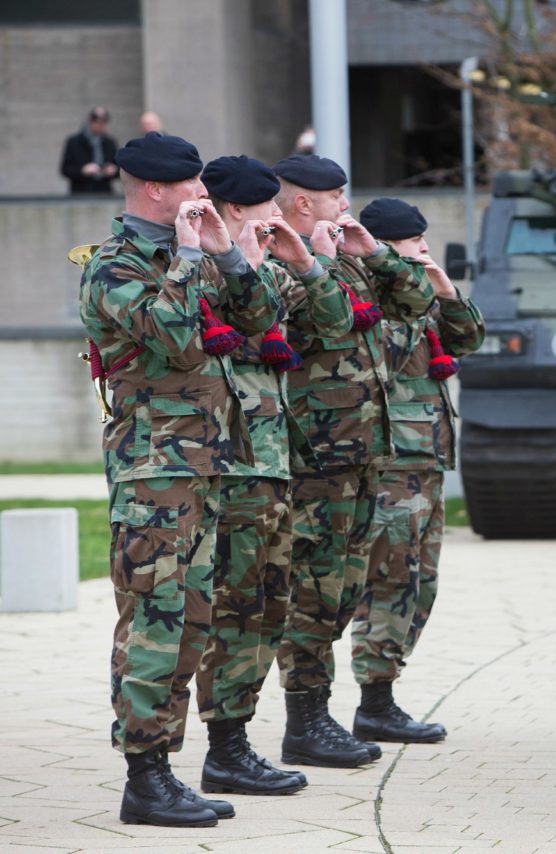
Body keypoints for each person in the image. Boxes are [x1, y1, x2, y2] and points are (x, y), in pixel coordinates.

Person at [79, 132, 280, 826]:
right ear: (155, 189)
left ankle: (166, 770)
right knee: (154, 620)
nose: (202, 194)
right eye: (191, 184)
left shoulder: (190, 254)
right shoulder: (115, 265)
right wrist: (194, 256)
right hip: (154, 469)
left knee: (193, 620)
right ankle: (144, 776)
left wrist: (227, 253)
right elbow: (172, 335)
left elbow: (260, 319)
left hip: (208, 464)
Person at [192, 155, 352, 797]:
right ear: (237, 209)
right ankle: (224, 747)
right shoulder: (201, 266)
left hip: (272, 461)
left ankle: (238, 742)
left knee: (267, 604)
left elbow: (334, 325)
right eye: (266, 209)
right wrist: (246, 262)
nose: (277, 217)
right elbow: (239, 324)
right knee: (233, 606)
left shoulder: (269, 263)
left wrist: (308, 263)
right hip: (226, 462)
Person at [272, 154, 434, 768]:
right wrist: (314, 262)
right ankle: (305, 721)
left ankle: (320, 715)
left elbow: (417, 300)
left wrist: (378, 254)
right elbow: (331, 323)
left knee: (342, 592)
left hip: (363, 453)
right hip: (315, 456)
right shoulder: (279, 263)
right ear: (303, 203)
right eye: (337, 197)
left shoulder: (349, 259)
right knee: (312, 591)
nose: (346, 206)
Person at [348, 198, 486, 742]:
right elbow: (387, 358)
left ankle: (381, 696)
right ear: (384, 246)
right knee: (389, 580)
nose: (424, 247)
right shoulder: (364, 296)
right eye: (412, 240)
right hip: (391, 460)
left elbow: (467, 340)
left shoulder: (419, 294)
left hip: (424, 459)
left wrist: (446, 293)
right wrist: (405, 287)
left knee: (418, 583)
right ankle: (372, 702)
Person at [60, 106, 119, 194]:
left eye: (104, 123)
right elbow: (65, 169)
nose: (101, 126)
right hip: (81, 192)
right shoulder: (74, 142)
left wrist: (113, 170)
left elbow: (119, 169)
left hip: (104, 192)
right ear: (90, 122)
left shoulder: (110, 142)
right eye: (98, 122)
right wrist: (83, 170)